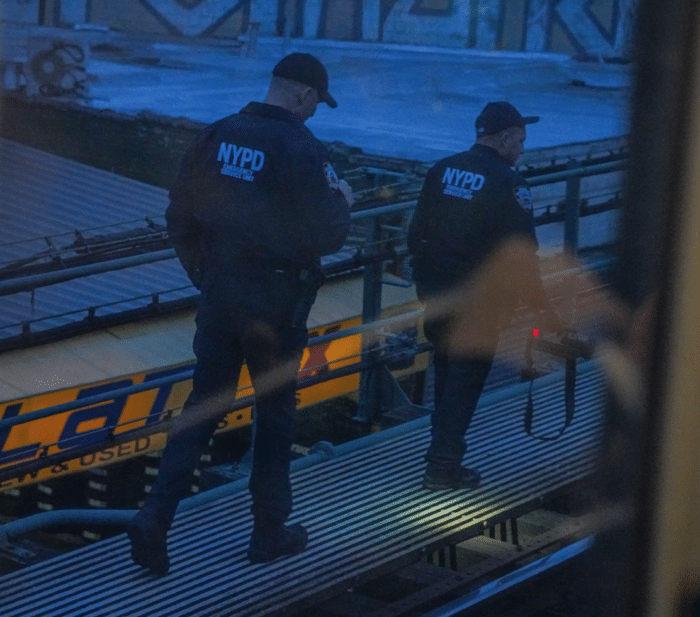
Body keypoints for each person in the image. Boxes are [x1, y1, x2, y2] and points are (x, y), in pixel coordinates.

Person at [127, 52, 353, 575]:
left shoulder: (217, 135)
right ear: (302, 95)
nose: (316, 111)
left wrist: (205, 277)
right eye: (318, 101)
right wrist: (341, 199)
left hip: (221, 294)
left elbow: (179, 213)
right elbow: (327, 233)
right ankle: (268, 532)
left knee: (204, 405)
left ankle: (155, 517)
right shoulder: (302, 146)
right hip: (275, 305)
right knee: (274, 415)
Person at [408, 101, 560, 491]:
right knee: (466, 381)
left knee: (445, 376)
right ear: (505, 137)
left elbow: (416, 234)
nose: (523, 149)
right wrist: (542, 309)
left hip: (439, 295)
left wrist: (426, 283)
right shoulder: (508, 182)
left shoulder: (442, 170)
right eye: (521, 140)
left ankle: (441, 455)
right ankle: (441, 467)